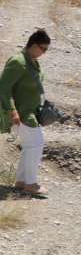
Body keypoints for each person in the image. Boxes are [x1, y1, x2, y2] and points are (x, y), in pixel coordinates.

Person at [1, 29, 53, 198]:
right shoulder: (18, 61)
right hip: (20, 113)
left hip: (30, 112)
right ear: (33, 44)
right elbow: (4, 87)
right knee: (36, 143)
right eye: (43, 49)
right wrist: (12, 110)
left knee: (31, 145)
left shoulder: (32, 62)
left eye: (46, 50)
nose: (44, 53)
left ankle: (21, 182)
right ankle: (31, 184)